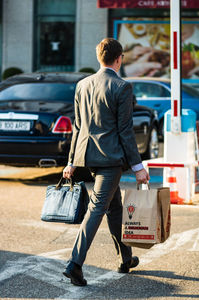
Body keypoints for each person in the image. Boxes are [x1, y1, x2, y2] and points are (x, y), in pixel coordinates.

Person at [62, 38, 150, 286]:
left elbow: (77, 127)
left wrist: (71, 161)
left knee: (115, 208)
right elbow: (125, 131)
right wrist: (138, 167)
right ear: (119, 58)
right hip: (109, 159)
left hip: (86, 157)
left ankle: (125, 259)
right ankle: (75, 264)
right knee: (97, 208)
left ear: (100, 58)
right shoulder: (122, 87)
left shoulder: (82, 84)